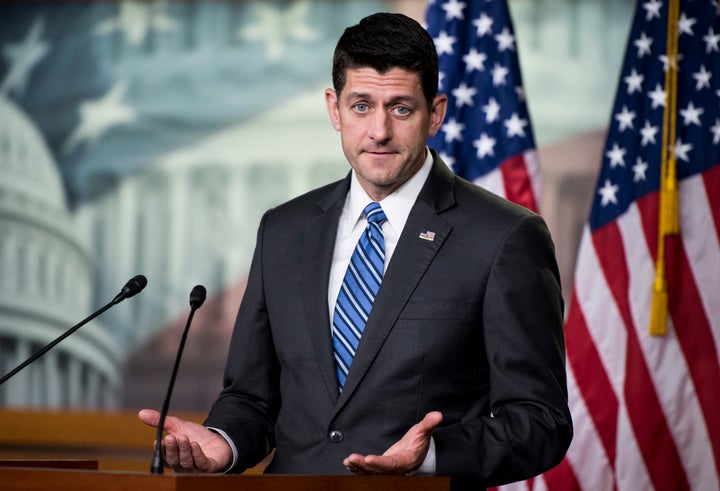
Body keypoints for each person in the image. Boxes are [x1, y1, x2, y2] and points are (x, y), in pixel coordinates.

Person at [139, 12, 572, 488]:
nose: (379, 131)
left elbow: (541, 421)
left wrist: (432, 457)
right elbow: (252, 399)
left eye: (401, 109)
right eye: (361, 106)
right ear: (334, 108)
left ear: (437, 113)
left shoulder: (506, 236)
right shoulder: (284, 230)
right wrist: (223, 443)